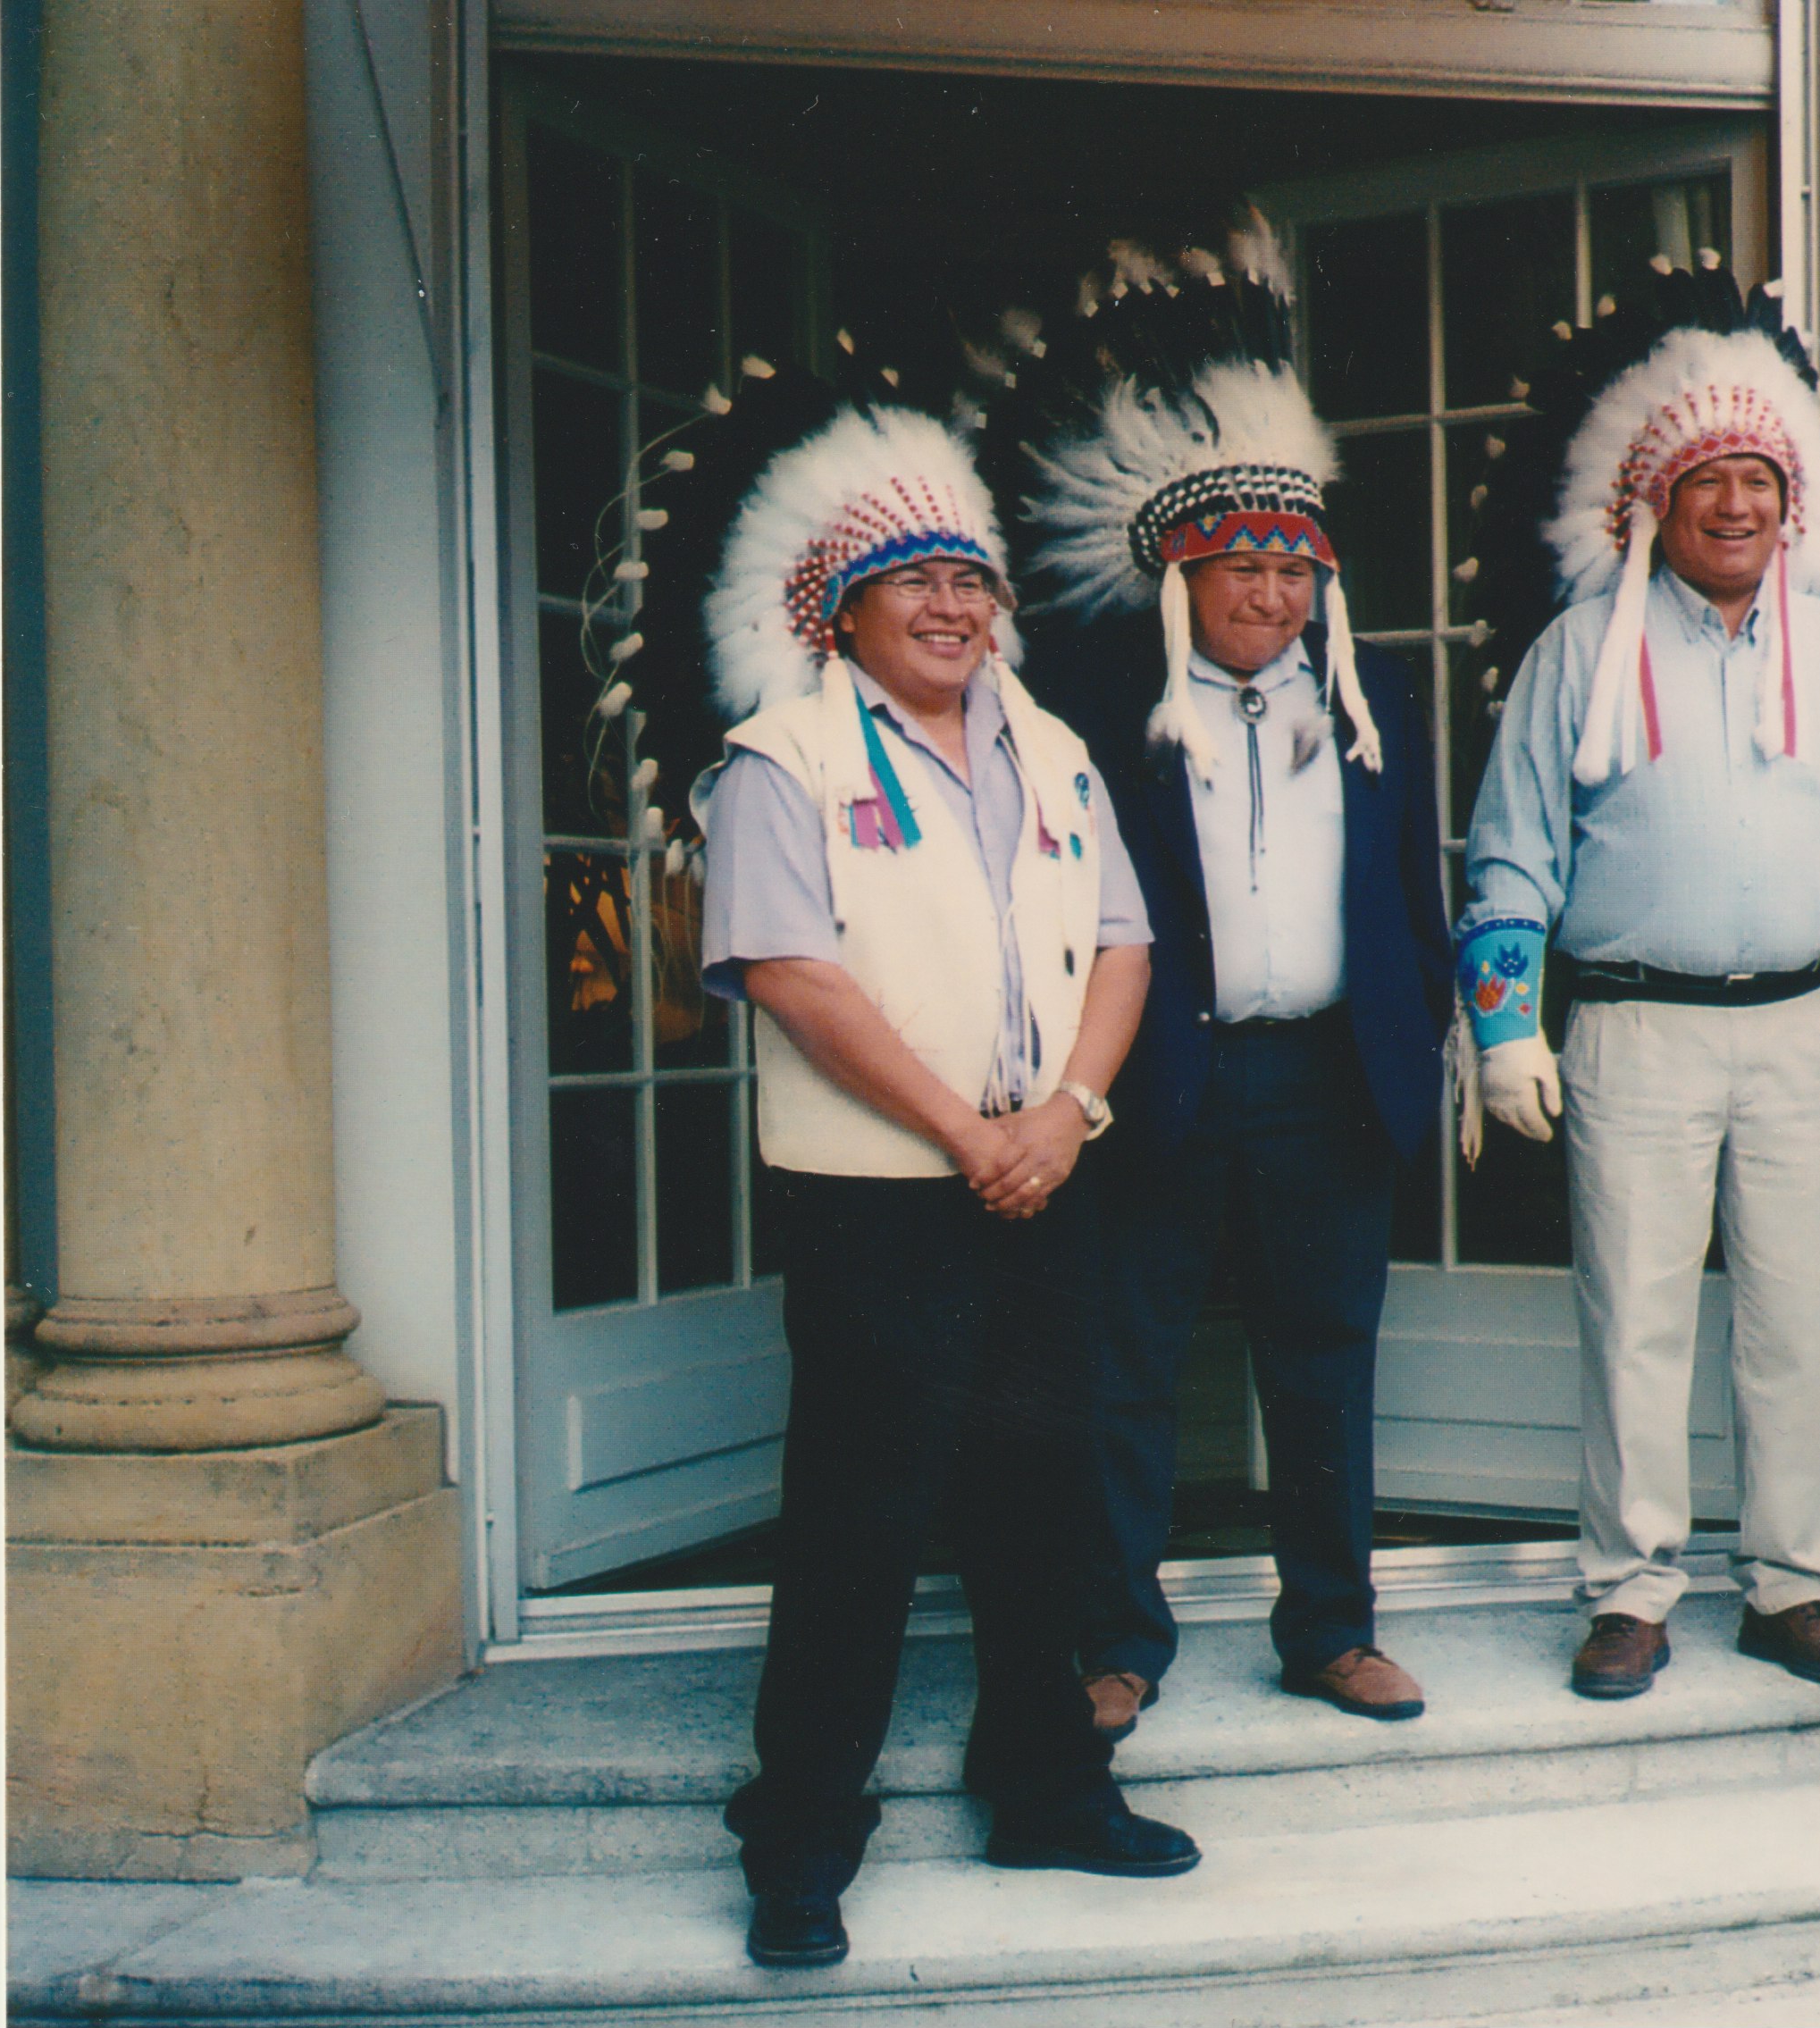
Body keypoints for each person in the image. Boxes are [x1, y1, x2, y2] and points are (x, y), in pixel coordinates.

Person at [681, 388, 1198, 1970]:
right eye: (914, 579)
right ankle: (799, 1839)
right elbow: (792, 972)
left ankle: (1042, 1789)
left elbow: (1123, 941)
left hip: (1042, 1171)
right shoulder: (780, 758)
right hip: (882, 1197)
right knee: (860, 1516)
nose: (953, 605)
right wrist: (973, 1135)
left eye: (972, 579)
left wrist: (1066, 1112)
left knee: (1039, 1497)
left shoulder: (1053, 749)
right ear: (839, 610)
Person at [1460, 267, 1820, 1700]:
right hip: (1633, 1028)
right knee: (1634, 1321)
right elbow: (1509, 857)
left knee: (1794, 1317)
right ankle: (1629, 1590)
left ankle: (1791, 1584)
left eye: (1757, 482)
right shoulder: (1574, 656)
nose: (1733, 506)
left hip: (1807, 1025)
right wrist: (1504, 1027)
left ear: (1789, 505)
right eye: (1705, 483)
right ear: (1654, 504)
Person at [1000, 231, 1451, 1734]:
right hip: (1158, 1081)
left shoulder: (1373, 700)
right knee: (1123, 1366)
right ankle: (1116, 1640)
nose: (1267, 590)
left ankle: (1330, 1628)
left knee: (1321, 1367)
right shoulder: (1097, 712)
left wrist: (1420, 1040)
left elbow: (1411, 896)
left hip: (1327, 1079)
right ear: (1183, 576)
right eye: (1239, 566)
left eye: (1289, 566)